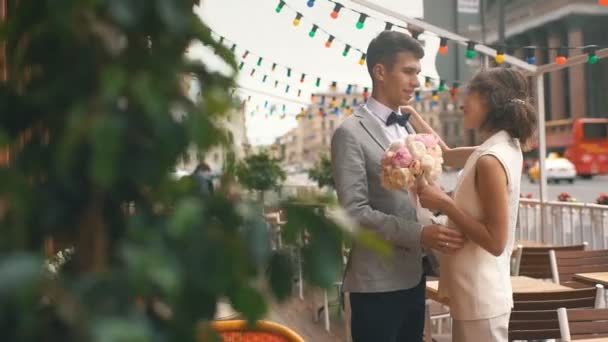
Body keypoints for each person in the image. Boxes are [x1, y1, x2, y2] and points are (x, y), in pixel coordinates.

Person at [330, 30, 466, 342]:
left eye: (418, 73)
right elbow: (354, 213)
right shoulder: (349, 133)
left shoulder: (408, 127)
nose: (416, 82)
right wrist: (421, 234)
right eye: (408, 72)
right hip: (376, 282)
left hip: (414, 275)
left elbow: (418, 195)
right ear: (380, 71)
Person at [410, 67, 538, 342]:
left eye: (470, 96)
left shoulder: (490, 160)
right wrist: (413, 116)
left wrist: (446, 203)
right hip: (476, 294)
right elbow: (445, 154)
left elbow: (495, 241)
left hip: (481, 296)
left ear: (491, 101)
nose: (461, 103)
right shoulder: (502, 147)